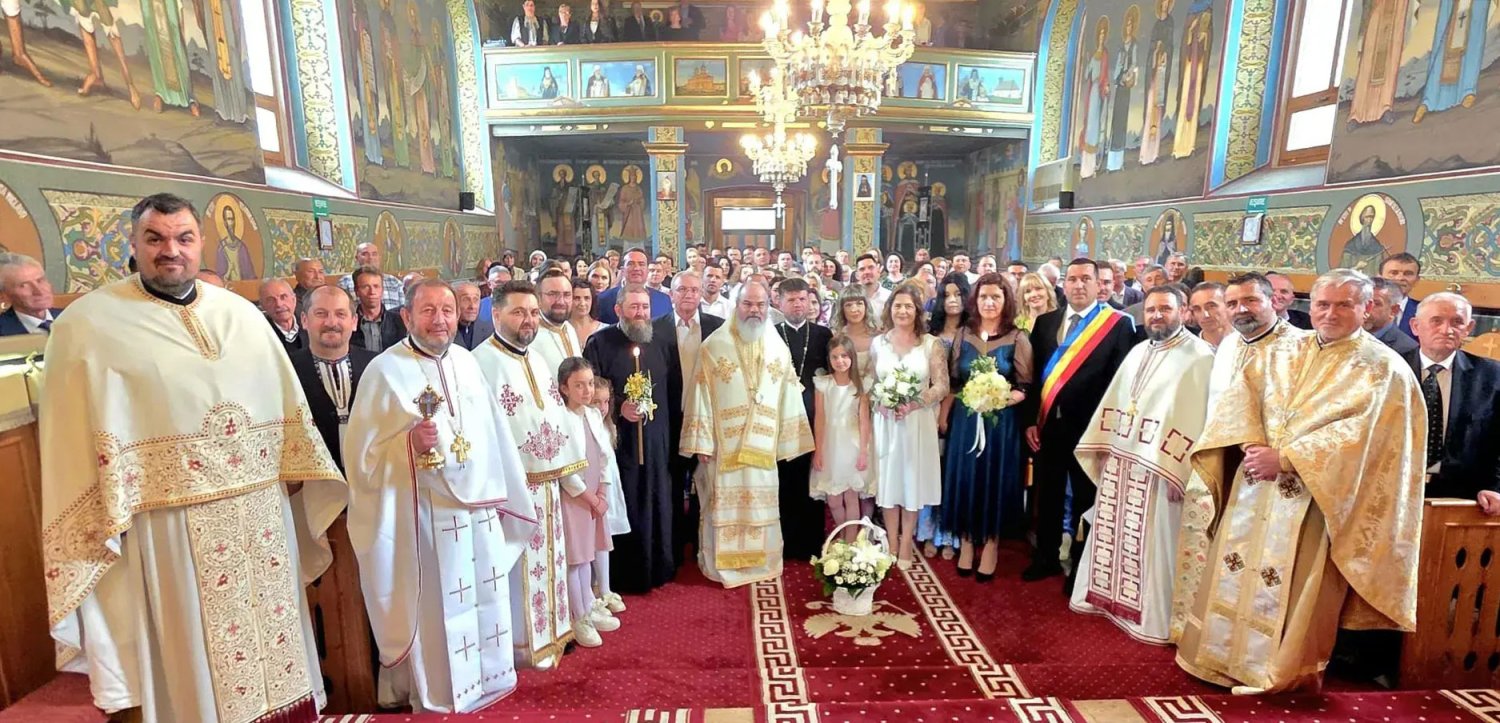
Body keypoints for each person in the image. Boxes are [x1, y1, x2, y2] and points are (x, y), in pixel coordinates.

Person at [41, 193, 345, 722]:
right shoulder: (88, 326)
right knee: (196, 664)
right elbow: (70, 441)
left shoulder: (240, 315)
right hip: (169, 526)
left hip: (261, 518)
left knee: (278, 653)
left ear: (201, 242)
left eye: (183, 238)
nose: (171, 251)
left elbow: (286, 410)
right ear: (133, 244)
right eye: (155, 238)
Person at [1177, 269, 1426, 693]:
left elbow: (1367, 439)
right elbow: (1243, 398)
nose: (1330, 313)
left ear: (1367, 308)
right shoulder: (1282, 349)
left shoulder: (1383, 368)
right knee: (1235, 566)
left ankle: (1275, 672)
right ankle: (1218, 657)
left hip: (1316, 497)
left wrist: (1287, 459)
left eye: (1344, 305)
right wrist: (1252, 446)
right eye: (1322, 304)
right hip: (1255, 482)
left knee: (1292, 584)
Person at [345, 279, 538, 710]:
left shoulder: (467, 362)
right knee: (440, 607)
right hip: (427, 514)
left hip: (480, 509)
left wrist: (507, 493)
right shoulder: (384, 372)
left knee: (486, 595)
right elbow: (362, 459)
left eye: (447, 310)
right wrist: (407, 445)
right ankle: (442, 690)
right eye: (428, 311)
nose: (440, 320)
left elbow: (494, 434)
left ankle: (489, 676)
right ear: (407, 317)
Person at [1069, 285, 1213, 643]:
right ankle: (1107, 600)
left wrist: (1184, 473)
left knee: (1155, 542)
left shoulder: (1200, 357)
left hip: (1161, 468)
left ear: (1184, 312)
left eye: (1165, 309)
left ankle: (1149, 619)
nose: (1156, 316)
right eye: (1150, 310)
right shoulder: (1137, 351)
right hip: (1122, 460)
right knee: (1114, 531)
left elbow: (1198, 419)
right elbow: (1116, 401)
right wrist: (1104, 446)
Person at [471, 280, 591, 667]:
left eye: (533, 312)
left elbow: (554, 415)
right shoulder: (479, 363)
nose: (528, 320)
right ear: (496, 314)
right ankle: (521, 647)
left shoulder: (537, 360)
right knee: (517, 567)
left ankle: (553, 633)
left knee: (551, 561)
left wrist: (569, 476)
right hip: (511, 490)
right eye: (518, 312)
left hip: (548, 485)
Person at [681, 280, 814, 586]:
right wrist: (702, 441)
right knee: (722, 506)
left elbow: (789, 394)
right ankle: (722, 565)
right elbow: (700, 395)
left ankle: (761, 563)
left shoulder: (778, 348)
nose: (755, 310)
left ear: (769, 307)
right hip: (724, 447)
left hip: (763, 446)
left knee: (760, 506)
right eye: (748, 304)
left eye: (761, 305)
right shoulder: (714, 346)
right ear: (736, 305)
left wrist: (789, 440)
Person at [1022, 259, 1136, 586]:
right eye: (1072, 279)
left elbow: (1122, 383)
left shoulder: (1117, 325)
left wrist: (1111, 432)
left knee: (1087, 498)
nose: (1078, 285)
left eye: (1086, 278)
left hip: (1091, 429)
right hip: (1048, 426)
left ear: (1100, 284)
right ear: (1064, 284)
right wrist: (1031, 420)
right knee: (1048, 492)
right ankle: (1046, 556)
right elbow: (1035, 377)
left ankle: (1081, 566)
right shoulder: (1046, 322)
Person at [584, 284, 679, 592]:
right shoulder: (600, 342)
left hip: (656, 439)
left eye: (645, 307)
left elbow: (673, 389)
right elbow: (590, 390)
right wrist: (618, 406)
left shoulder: (661, 341)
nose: (641, 313)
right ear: (618, 310)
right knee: (627, 500)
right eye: (634, 307)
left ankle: (659, 567)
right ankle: (624, 575)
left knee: (656, 499)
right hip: (619, 442)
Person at [940, 273, 1032, 580]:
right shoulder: (963, 334)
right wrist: (945, 416)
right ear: (975, 300)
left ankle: (991, 544)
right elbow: (955, 381)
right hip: (966, 422)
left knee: (994, 479)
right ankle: (967, 542)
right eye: (983, 297)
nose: (989, 302)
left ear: (1006, 301)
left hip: (1000, 424)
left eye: (996, 297)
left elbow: (1025, 386)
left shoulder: (1017, 337)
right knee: (966, 478)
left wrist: (999, 399)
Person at [870, 284, 950, 569]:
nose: (902, 311)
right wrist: (879, 402)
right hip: (887, 422)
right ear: (889, 309)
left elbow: (942, 385)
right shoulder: (878, 343)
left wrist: (916, 402)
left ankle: (906, 543)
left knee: (911, 481)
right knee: (889, 481)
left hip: (917, 422)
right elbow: (872, 382)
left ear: (917, 311)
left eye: (908, 306)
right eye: (897, 306)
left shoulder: (930, 344)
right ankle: (891, 541)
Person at [1405, 292, 1500, 509]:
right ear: (1415, 326)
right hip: (1392, 489)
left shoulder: (1492, 376)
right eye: (1436, 321)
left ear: (1469, 328)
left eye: (1457, 322)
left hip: (1463, 497)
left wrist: (1496, 487)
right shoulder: (1390, 369)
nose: (1446, 330)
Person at [555, 357, 624, 647]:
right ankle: (579, 616)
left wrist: (603, 493)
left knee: (591, 552)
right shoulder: (561, 418)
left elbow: (605, 457)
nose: (587, 391)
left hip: (596, 494)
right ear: (564, 388)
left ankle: (589, 604)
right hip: (577, 497)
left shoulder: (593, 415)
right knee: (577, 557)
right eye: (579, 386)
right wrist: (590, 498)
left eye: (590, 384)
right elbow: (564, 469)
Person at [657, 271, 723, 566]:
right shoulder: (656, 329)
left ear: (701, 295)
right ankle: (672, 545)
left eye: (694, 290)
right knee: (672, 482)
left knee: (704, 483)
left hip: (707, 420)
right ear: (671, 294)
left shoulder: (717, 328)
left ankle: (701, 543)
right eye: (682, 289)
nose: (688, 295)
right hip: (670, 419)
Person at [774, 278, 832, 560]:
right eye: (791, 300)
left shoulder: (823, 334)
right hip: (781, 418)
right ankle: (785, 541)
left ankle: (811, 542)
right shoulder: (771, 334)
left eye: (802, 299)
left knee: (812, 480)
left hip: (814, 415)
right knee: (785, 480)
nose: (798, 305)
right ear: (779, 302)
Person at [290, 285, 376, 471]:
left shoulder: (377, 366)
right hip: (314, 480)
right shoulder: (287, 370)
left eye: (340, 314)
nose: (331, 322)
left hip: (370, 478)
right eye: (321, 314)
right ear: (304, 320)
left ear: (354, 322)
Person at [920, 274, 969, 560]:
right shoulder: (930, 331)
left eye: (958, 294)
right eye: (947, 294)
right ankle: (928, 531)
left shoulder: (973, 331)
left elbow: (962, 378)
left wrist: (948, 411)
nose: (952, 300)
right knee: (931, 469)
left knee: (954, 472)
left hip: (961, 408)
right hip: (928, 406)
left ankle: (950, 534)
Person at [1206, 272, 1307, 410]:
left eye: (1250, 300)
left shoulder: (1301, 346)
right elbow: (1216, 401)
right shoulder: (1228, 344)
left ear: (1272, 301)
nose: (1240, 310)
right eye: (1232, 304)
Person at [811, 335, 875, 541]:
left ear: (852, 357)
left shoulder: (860, 385)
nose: (840, 361)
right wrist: (818, 451)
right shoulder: (823, 385)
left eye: (844, 356)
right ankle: (842, 532)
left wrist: (863, 451)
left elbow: (864, 421)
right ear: (829, 359)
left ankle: (850, 540)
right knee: (834, 499)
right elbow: (820, 419)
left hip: (852, 445)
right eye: (835, 357)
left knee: (851, 496)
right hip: (830, 446)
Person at [597, 248, 671, 323]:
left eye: (641, 264)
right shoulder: (603, 299)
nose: (636, 268)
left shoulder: (663, 300)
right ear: (622, 270)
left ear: (647, 270)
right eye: (631, 264)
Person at [533, 269, 584, 372]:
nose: (561, 301)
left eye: (567, 294)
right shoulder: (531, 335)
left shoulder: (569, 328)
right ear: (538, 298)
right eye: (552, 294)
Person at [0, 252, 61, 335]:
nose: (39, 291)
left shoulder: (73, 317)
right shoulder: (3, 332)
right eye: (23, 285)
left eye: (40, 280)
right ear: (3, 296)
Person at [351, 265, 408, 352]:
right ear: (356, 291)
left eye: (376, 286)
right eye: (365, 287)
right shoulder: (349, 323)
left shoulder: (400, 322)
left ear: (382, 290)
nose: (372, 292)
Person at [338, 242, 405, 308]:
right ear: (357, 258)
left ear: (379, 257)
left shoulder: (394, 282)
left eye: (374, 254)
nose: (370, 258)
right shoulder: (345, 282)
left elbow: (404, 308)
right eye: (365, 254)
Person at [1365, 277, 1418, 355]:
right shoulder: (1348, 337)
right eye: (1362, 302)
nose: (1366, 309)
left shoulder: (1406, 348)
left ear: (1394, 310)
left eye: (1376, 304)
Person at [260, 277, 307, 355]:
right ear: (263, 306)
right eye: (271, 300)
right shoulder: (260, 334)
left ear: (294, 300)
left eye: (283, 297)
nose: (279, 304)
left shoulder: (309, 327)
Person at [1380, 252, 1422, 335]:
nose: (1400, 278)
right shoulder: (1364, 307)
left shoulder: (1423, 311)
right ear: (1380, 277)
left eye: (1408, 274)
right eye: (1393, 273)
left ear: (1417, 280)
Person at [853, 252, 892, 325]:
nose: (867, 272)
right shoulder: (851, 297)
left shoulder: (889, 297)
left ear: (878, 270)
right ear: (857, 275)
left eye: (871, 267)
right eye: (862, 269)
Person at [454, 280, 488, 350]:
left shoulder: (489, 330)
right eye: (466, 299)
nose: (472, 306)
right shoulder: (443, 331)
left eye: (476, 300)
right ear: (454, 302)